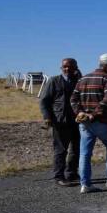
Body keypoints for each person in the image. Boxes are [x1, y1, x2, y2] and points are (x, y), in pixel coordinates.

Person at [71, 53, 107, 193]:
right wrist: (93, 115)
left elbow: (73, 99)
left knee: (85, 153)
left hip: (85, 123)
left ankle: (85, 184)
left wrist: (80, 113)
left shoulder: (83, 78)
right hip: (104, 122)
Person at [39, 58, 81, 187]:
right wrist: (47, 117)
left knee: (76, 148)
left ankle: (72, 172)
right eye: (64, 67)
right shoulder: (54, 81)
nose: (67, 69)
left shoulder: (78, 81)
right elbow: (44, 100)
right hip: (60, 120)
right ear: (61, 68)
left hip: (77, 120)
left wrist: (80, 77)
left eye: (70, 66)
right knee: (61, 150)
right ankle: (59, 176)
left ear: (76, 68)